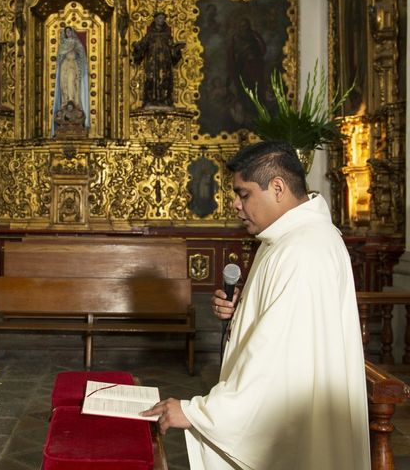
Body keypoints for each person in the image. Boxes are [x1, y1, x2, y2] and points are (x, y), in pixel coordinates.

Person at [141, 141, 370, 469]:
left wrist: (195, 412)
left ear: (277, 188)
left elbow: (275, 363)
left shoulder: (303, 250)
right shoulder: (289, 237)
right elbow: (287, 327)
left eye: (243, 194)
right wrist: (241, 312)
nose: (235, 204)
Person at [132, 12, 185, 108]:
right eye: (160, 18)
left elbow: (172, 49)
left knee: (165, 80)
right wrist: (137, 47)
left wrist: (177, 49)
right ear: (155, 20)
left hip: (165, 63)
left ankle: (164, 101)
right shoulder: (150, 35)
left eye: (163, 18)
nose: (161, 20)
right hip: (152, 63)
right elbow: (142, 47)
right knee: (151, 79)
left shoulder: (167, 36)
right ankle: (151, 100)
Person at [51, 26, 90, 136]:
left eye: (69, 31)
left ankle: (73, 102)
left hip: (73, 65)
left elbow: (81, 55)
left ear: (72, 33)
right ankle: (65, 103)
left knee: (72, 84)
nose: (68, 33)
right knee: (64, 86)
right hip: (65, 66)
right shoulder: (62, 45)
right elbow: (59, 57)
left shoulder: (76, 43)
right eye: (66, 32)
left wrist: (77, 52)